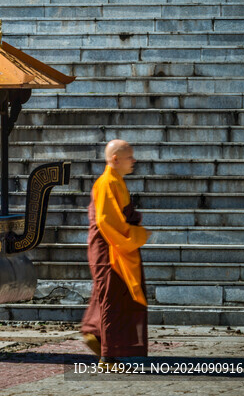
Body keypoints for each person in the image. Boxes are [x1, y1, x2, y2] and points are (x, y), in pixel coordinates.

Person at [80, 140, 150, 363]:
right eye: (129, 156)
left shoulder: (116, 181)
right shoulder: (106, 183)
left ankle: (95, 334)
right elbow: (105, 220)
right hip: (109, 248)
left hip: (115, 247)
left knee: (112, 295)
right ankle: (108, 358)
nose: (134, 160)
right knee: (111, 299)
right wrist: (133, 236)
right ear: (115, 159)